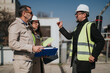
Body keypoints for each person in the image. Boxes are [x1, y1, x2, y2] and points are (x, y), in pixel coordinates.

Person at [57, 4, 105, 73]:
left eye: (77, 14)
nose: (76, 15)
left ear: (84, 14)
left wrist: (94, 55)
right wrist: (61, 27)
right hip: (76, 59)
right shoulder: (78, 27)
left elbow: (101, 41)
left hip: (85, 61)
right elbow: (69, 36)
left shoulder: (90, 26)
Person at [8, 5, 44, 73]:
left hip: (29, 61)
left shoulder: (26, 26)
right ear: (24, 13)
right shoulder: (16, 25)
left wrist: (39, 51)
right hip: (22, 63)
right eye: (30, 13)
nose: (32, 14)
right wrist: (32, 48)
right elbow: (12, 44)